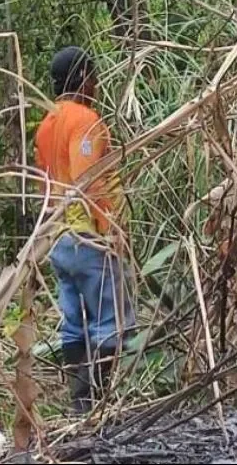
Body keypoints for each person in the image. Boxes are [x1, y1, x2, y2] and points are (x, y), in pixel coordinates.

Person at [34, 46, 136, 414]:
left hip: (60, 239)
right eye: (92, 76)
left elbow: (45, 183)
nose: (95, 84)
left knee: (74, 325)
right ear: (82, 78)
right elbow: (87, 180)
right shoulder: (85, 121)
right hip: (90, 239)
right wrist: (109, 231)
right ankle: (98, 407)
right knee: (111, 323)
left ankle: (80, 407)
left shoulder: (47, 124)